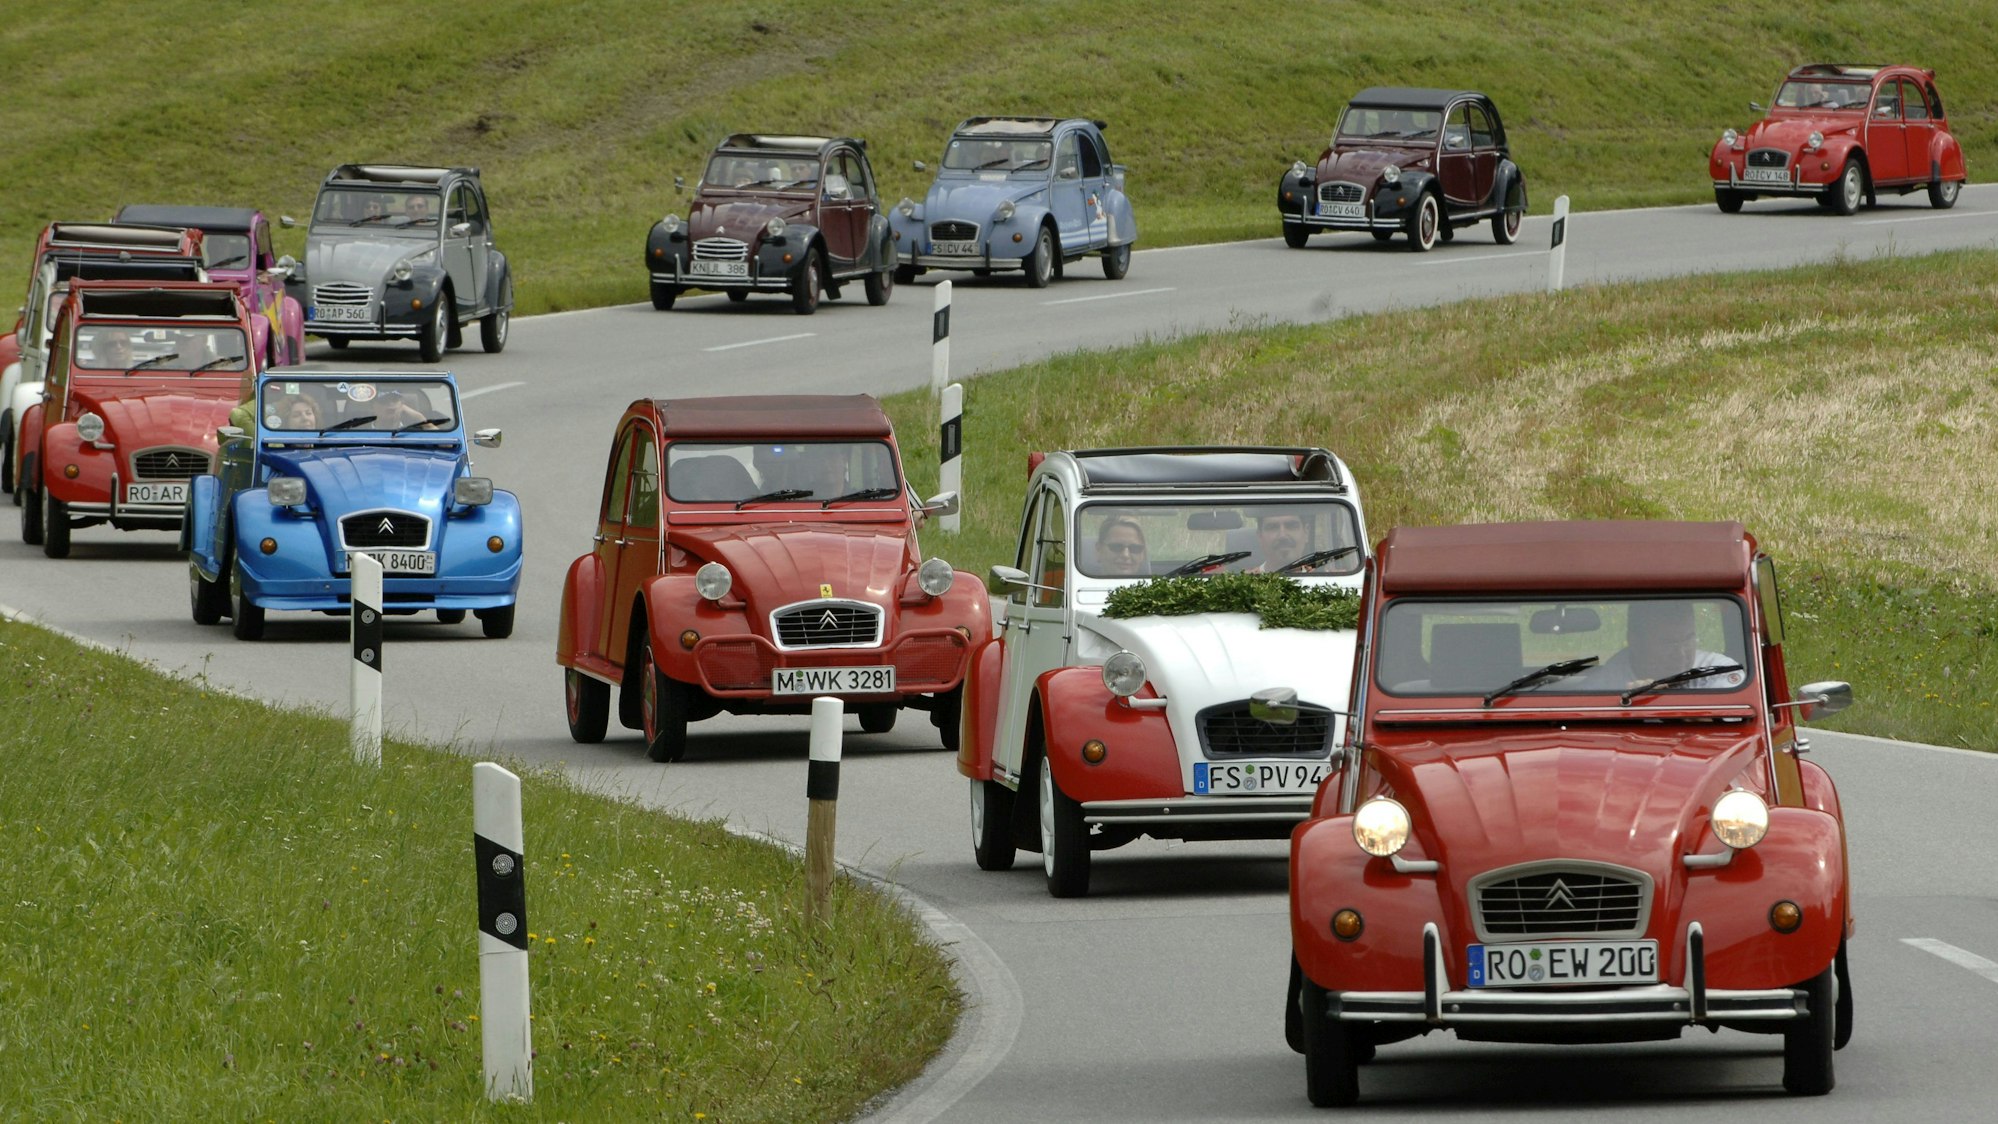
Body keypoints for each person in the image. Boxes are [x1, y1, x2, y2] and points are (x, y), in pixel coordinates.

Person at [1586, 600, 1745, 691]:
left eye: (1688, 639)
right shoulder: (1608, 682)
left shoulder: (1719, 672)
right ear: (1635, 641)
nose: (1681, 653)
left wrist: (1665, 702)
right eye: (1668, 643)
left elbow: (1730, 734)